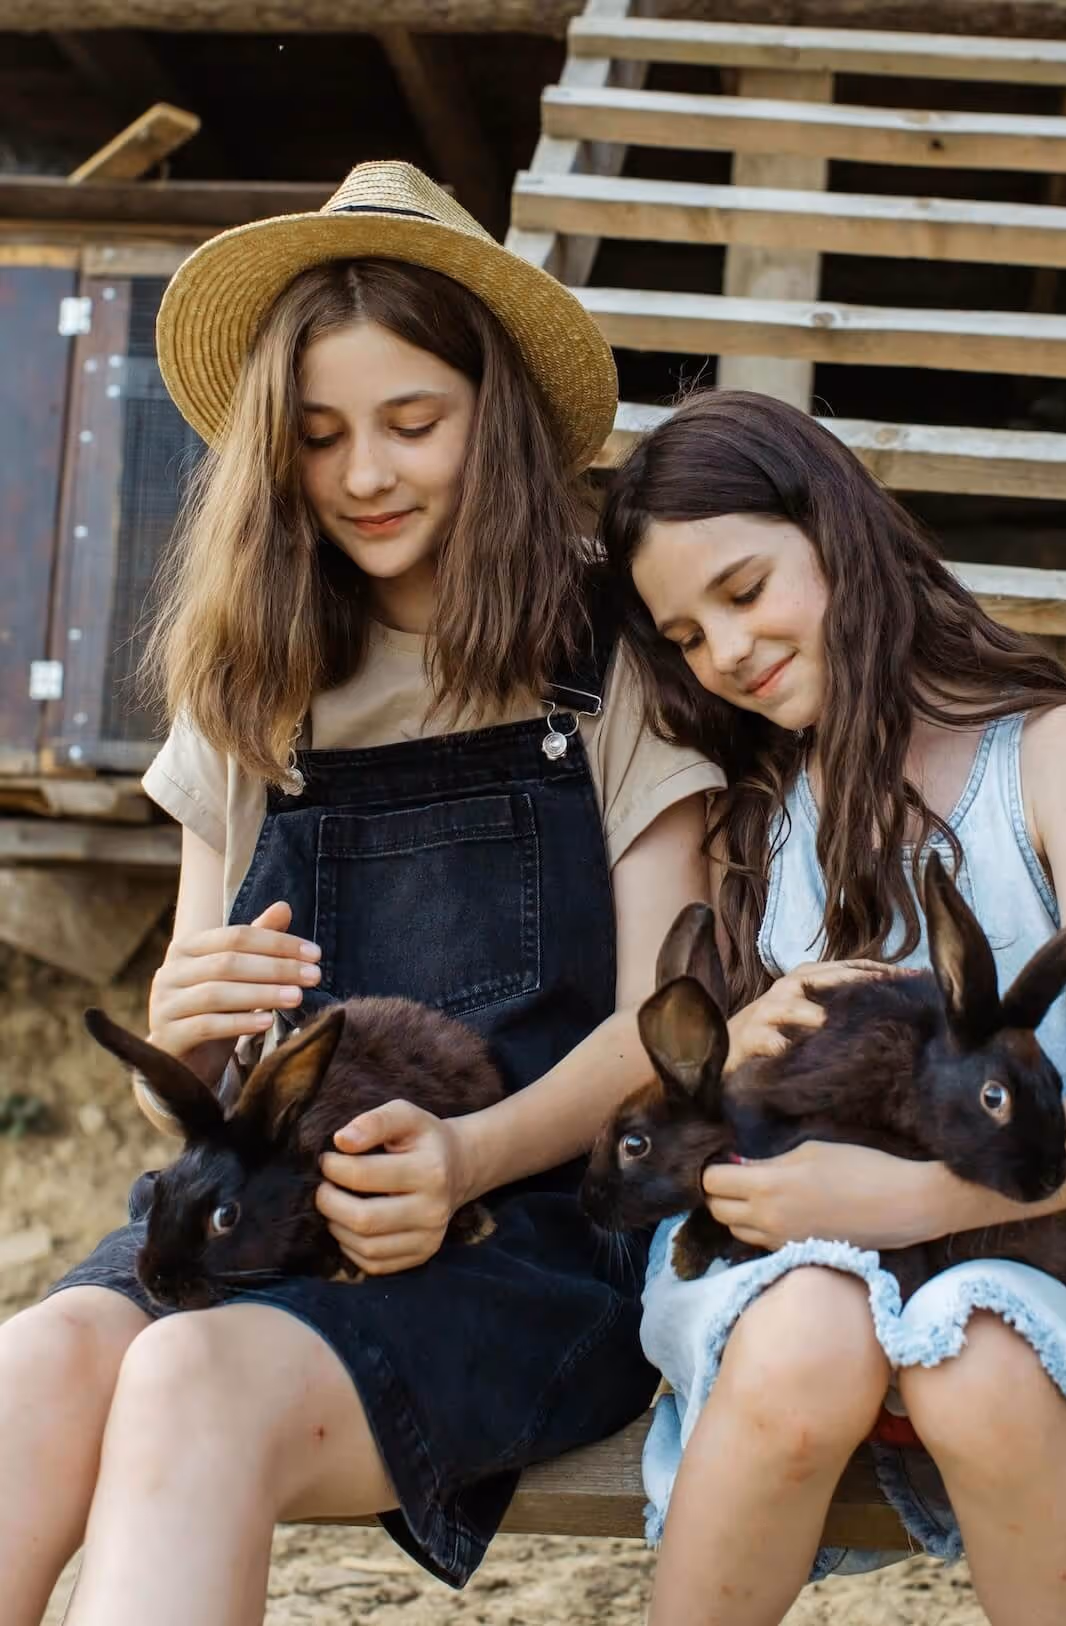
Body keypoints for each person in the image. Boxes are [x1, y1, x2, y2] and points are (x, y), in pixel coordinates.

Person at [0, 162, 723, 1626]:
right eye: (321, 436)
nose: (366, 476)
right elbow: (197, 1076)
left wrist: (462, 1161)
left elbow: (670, 1023)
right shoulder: (256, 671)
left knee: (188, 1378)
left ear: (497, 419)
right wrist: (178, 1034)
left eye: (414, 424)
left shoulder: (609, 654)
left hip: (520, 1231)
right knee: (35, 1368)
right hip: (259, 1205)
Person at [599, 388, 1066, 1626]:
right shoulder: (752, 805)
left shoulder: (1047, 752)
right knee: (813, 1328)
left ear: (837, 532)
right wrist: (747, 1036)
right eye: (687, 635)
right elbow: (707, 1092)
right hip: (789, 1262)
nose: (727, 652)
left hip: (1025, 1245)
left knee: (976, 1364)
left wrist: (913, 1196)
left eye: (746, 590)